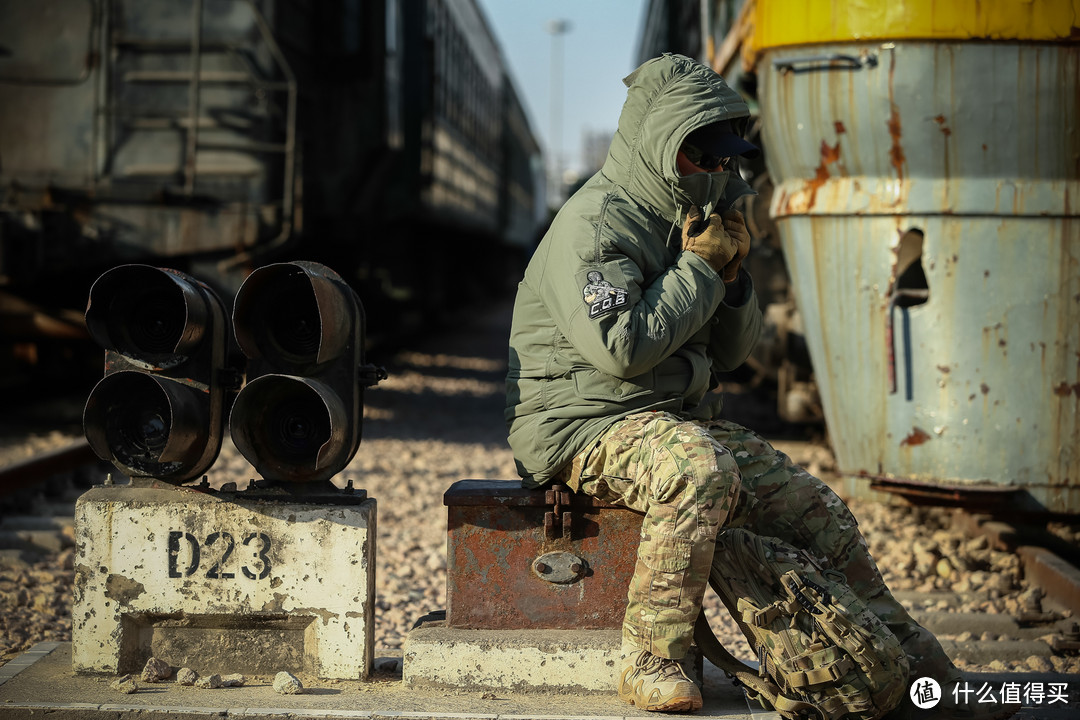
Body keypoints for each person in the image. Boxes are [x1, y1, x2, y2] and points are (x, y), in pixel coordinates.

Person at [505, 54, 1015, 719]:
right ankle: (650, 658)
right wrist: (699, 271)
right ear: (659, 149)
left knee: (813, 507)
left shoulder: (700, 212)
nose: (715, 174)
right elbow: (622, 349)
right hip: (580, 424)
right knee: (698, 470)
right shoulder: (599, 227)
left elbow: (731, 355)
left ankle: (927, 679)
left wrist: (735, 279)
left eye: (723, 161)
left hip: (661, 416)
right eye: (699, 159)